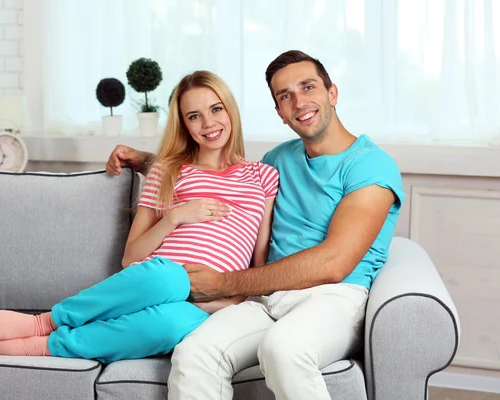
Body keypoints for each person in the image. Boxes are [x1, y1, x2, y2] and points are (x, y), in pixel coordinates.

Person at [106, 50, 405, 400]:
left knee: (284, 349)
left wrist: (224, 284)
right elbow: (220, 176)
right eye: (285, 96)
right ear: (279, 113)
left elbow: (333, 263)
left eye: (308, 87)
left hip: (334, 297)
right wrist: (146, 161)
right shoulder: (278, 161)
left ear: (332, 93)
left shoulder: (371, 166)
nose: (299, 102)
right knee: (195, 353)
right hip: (269, 299)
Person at [0, 70, 279, 363]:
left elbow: (259, 265)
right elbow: (131, 258)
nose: (208, 123)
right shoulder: (167, 170)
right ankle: (44, 321)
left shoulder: (263, 175)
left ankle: (40, 346)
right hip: (157, 278)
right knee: (169, 276)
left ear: (230, 110)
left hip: (208, 301)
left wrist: (230, 300)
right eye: (194, 116)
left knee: (172, 327)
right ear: (184, 124)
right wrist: (176, 217)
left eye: (216, 109)